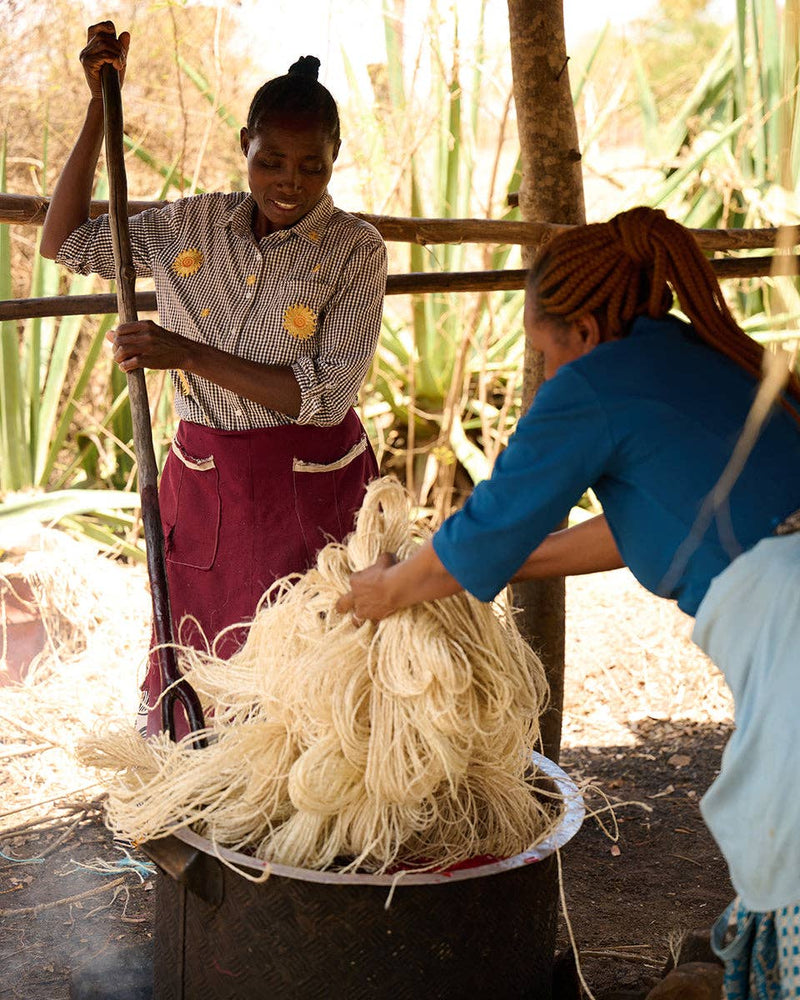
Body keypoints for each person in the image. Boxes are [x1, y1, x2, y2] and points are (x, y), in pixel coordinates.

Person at [337, 206, 800, 999]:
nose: (546, 376)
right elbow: (636, 531)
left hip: (788, 627)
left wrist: (385, 590)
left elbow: (489, 523)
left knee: (785, 851)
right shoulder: (694, 356)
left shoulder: (595, 383)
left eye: (546, 355)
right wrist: (472, 566)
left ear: (583, 331)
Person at [41, 23, 387, 738]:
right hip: (206, 478)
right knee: (203, 648)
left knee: (311, 659)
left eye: (312, 167)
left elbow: (325, 400)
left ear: (335, 160)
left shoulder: (356, 250)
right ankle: (207, 798)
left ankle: (308, 809)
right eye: (272, 161)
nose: (290, 182)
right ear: (245, 147)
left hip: (310, 481)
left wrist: (188, 353)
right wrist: (100, 112)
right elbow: (66, 241)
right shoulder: (189, 226)